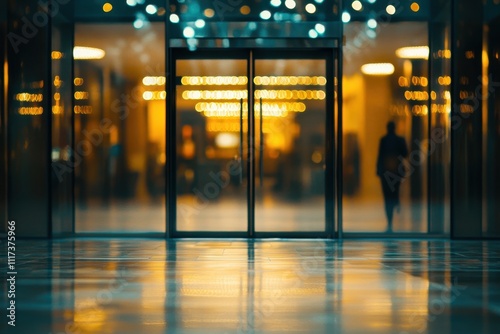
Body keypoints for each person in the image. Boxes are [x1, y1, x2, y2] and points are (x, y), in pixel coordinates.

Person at [376, 121, 408, 232]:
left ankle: (389, 218)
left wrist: (378, 170)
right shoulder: (400, 140)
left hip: (386, 172)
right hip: (396, 171)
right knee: (395, 190)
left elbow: (380, 156)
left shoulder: (383, 140)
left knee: (387, 194)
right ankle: (395, 202)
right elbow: (405, 154)